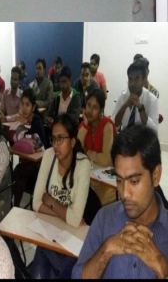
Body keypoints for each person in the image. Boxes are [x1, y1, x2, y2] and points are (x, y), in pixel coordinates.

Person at [73, 125, 168, 278]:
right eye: (119, 180)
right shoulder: (104, 218)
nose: (124, 193)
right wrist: (106, 250)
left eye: (134, 181)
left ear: (155, 175)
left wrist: (161, 266)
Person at [31, 113, 91, 279]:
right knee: (41, 262)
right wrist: (66, 215)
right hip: (50, 233)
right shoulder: (49, 156)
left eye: (61, 139)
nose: (55, 145)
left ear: (72, 142)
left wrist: (50, 202)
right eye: (53, 139)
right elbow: (35, 203)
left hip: (71, 240)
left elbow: (75, 219)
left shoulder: (83, 165)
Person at [78, 88, 117, 205]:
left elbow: (106, 160)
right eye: (88, 105)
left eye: (95, 107)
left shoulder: (107, 125)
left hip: (107, 183)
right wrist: (85, 125)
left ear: (101, 111)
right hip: (90, 178)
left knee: (92, 204)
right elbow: (76, 151)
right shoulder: (84, 125)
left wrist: (88, 153)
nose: (90, 110)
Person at [10, 88, 47, 207]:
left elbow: (27, 138)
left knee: (18, 171)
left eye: (28, 105)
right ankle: (15, 205)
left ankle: (16, 206)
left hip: (40, 164)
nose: (24, 108)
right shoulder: (23, 120)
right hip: (28, 161)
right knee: (18, 171)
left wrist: (21, 126)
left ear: (33, 107)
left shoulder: (37, 121)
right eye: (22, 104)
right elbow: (13, 140)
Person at [111, 60, 159, 133]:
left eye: (137, 79)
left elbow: (154, 131)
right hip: (125, 137)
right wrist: (125, 106)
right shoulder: (123, 96)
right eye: (130, 79)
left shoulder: (152, 100)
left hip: (143, 138)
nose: (132, 84)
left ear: (143, 81)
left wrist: (140, 108)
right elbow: (113, 126)